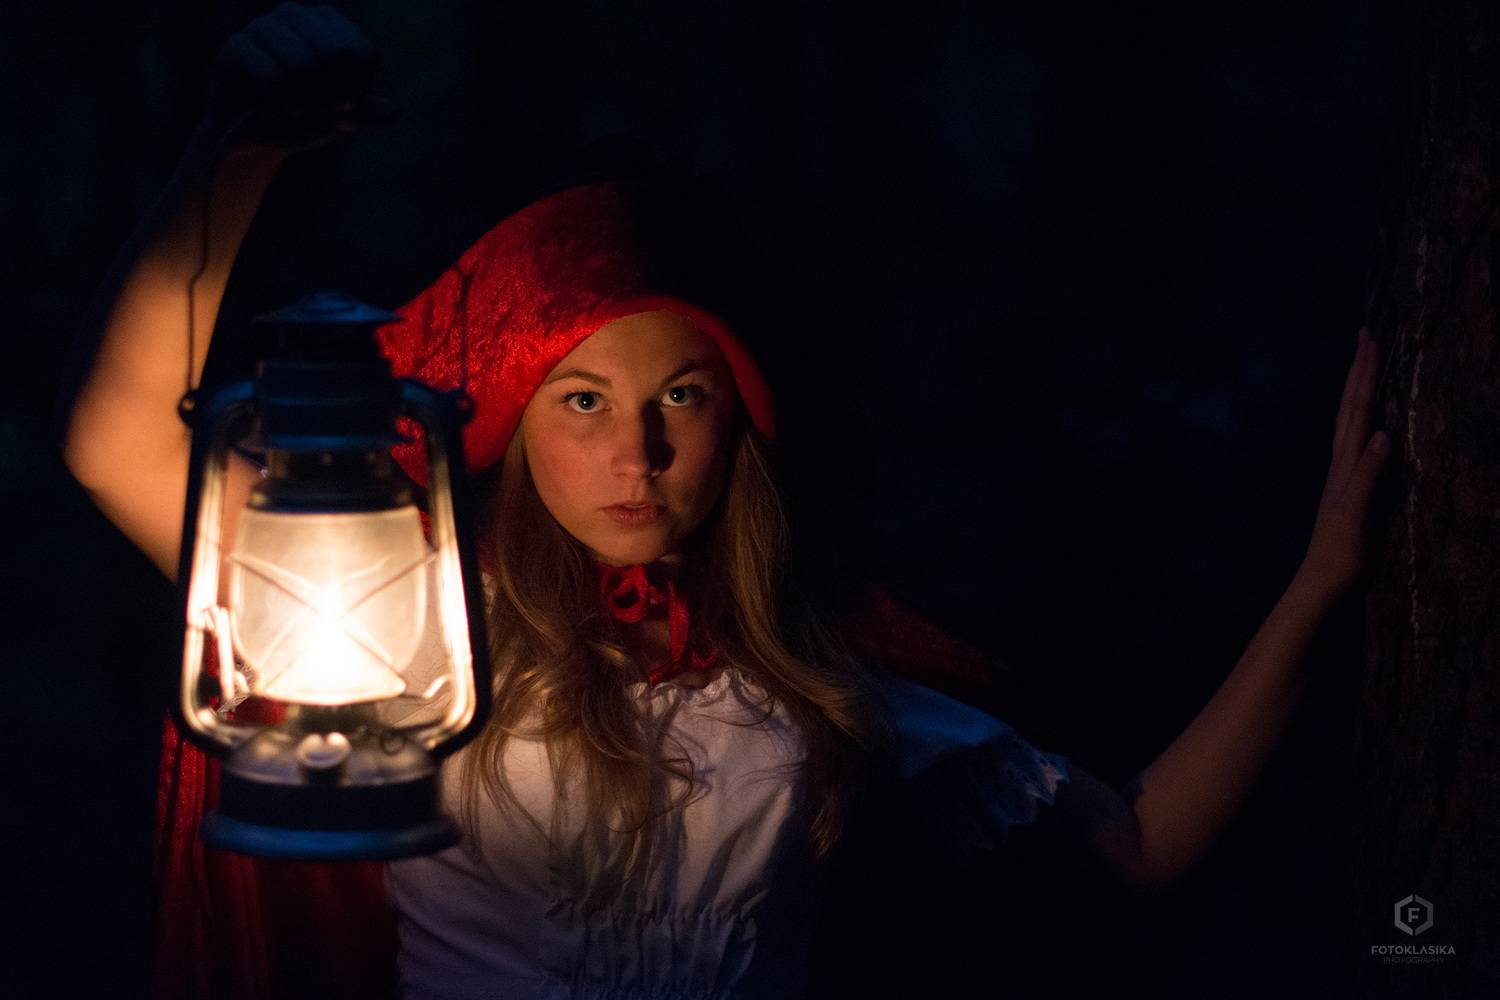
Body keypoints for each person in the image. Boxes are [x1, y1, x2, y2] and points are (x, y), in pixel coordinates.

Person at [58, 5, 1393, 999]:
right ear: (516, 429)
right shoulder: (404, 639)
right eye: (582, 401)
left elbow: (1137, 851)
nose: (637, 449)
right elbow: (120, 447)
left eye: (681, 397)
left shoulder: (823, 696)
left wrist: (1329, 571)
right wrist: (232, 155)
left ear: (739, 422)